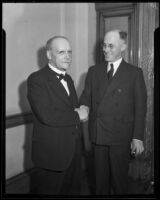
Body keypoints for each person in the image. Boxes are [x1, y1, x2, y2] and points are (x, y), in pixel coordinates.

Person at [79, 29, 147, 195]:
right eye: (104, 46)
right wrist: (84, 107)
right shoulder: (94, 71)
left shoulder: (134, 73)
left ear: (123, 46)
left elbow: (140, 107)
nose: (106, 50)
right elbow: (86, 97)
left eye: (111, 46)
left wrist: (137, 137)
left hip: (121, 136)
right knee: (99, 181)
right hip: (98, 134)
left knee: (119, 181)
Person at [27, 36, 88, 195]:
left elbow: (69, 110)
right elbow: (46, 115)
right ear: (49, 55)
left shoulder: (68, 79)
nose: (67, 56)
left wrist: (80, 111)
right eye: (61, 52)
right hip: (51, 156)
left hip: (73, 152)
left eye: (69, 52)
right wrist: (78, 116)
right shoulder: (37, 79)